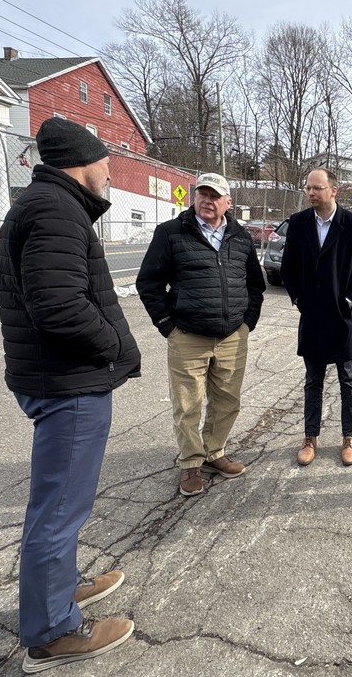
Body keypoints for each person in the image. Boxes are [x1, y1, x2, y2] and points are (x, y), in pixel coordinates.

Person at [0, 117, 141, 672]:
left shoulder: (48, 204)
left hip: (59, 379)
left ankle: (60, 591)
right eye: (106, 160)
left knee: (62, 506)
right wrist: (113, 346)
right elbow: (58, 306)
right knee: (58, 510)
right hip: (68, 383)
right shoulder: (56, 209)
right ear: (84, 162)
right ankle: (53, 632)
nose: (109, 170)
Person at [136, 172, 265, 497]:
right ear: (194, 197)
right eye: (201, 194)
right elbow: (148, 283)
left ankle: (214, 452)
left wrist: (247, 322)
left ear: (228, 202)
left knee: (227, 402)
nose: (207, 200)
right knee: (187, 404)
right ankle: (191, 463)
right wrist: (167, 325)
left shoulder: (241, 236)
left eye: (214, 195)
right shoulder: (171, 233)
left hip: (233, 336)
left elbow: (255, 285)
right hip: (188, 337)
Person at [280, 168, 352, 466]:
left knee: (348, 378)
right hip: (311, 317)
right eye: (308, 188)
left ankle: (349, 436)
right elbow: (288, 269)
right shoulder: (298, 224)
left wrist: (350, 300)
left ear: (333, 191)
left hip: (343, 317)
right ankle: (310, 437)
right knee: (313, 379)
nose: (311, 193)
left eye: (317, 188)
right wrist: (300, 300)